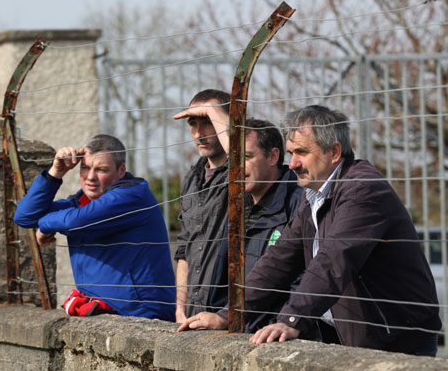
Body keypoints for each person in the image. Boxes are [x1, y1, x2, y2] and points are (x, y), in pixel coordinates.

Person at [178, 105, 441, 356]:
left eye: (301, 152)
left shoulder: (363, 189)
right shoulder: (314, 193)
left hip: (397, 342)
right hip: (353, 338)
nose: (292, 164)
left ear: (334, 152)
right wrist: (230, 313)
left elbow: (334, 260)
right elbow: (280, 259)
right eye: (291, 153)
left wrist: (292, 319)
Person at [14, 134, 175, 320]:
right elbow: (24, 216)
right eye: (85, 167)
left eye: (101, 169)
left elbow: (76, 222)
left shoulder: (132, 195)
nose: (91, 177)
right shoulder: (82, 201)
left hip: (142, 315)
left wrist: (44, 226)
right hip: (103, 313)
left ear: (121, 170)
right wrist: (55, 172)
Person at [206, 118, 304, 333]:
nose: (237, 167)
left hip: (277, 335)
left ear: (273, 157)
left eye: (247, 157)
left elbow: (303, 278)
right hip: (238, 330)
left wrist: (286, 324)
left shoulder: (299, 203)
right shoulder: (236, 207)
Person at [173, 89, 231, 322]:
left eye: (208, 121)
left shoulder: (243, 174)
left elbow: (243, 159)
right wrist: (180, 306)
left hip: (233, 314)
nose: (198, 133)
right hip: (195, 313)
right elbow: (185, 245)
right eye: (192, 123)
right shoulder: (192, 178)